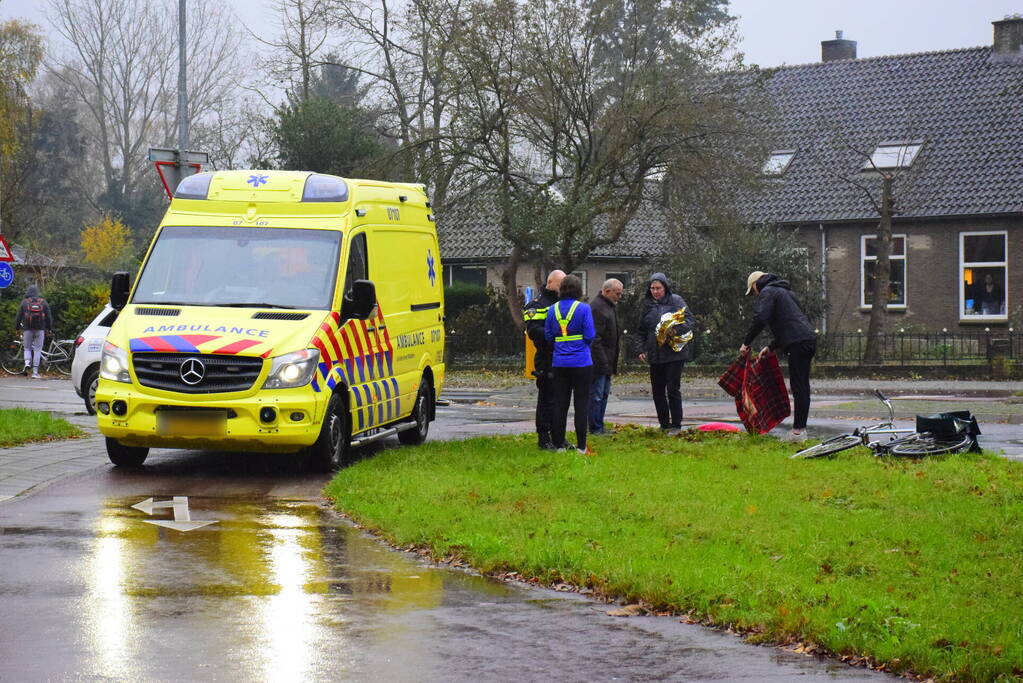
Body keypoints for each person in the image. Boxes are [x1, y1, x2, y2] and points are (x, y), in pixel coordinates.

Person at [739, 271, 817, 440]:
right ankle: (800, 430)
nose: (755, 294)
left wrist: (747, 343)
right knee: (802, 386)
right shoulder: (785, 291)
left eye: (753, 291)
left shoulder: (768, 291)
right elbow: (789, 322)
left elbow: (761, 318)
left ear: (755, 284)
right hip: (807, 339)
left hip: (797, 342)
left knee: (799, 387)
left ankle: (798, 432)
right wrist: (771, 346)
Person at [635, 273, 695, 433]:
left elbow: (689, 321)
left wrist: (674, 330)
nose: (655, 291)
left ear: (665, 287)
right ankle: (664, 424)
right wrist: (641, 349)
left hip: (674, 354)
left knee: (673, 389)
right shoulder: (648, 305)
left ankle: (676, 424)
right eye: (652, 288)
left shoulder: (676, 301)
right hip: (655, 355)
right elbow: (641, 330)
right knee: (657, 391)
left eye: (658, 288)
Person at [544, 274, 595, 454]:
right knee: (581, 404)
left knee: (560, 404)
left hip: (559, 363)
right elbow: (589, 335)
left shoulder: (552, 310)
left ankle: (559, 445)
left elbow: (548, 336)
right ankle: (581, 446)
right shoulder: (584, 309)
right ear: (579, 290)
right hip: (581, 362)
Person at [523, 269, 566, 450]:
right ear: (550, 283)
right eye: (560, 284)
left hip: (564, 358)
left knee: (561, 401)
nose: (563, 288)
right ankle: (544, 437)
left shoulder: (565, 303)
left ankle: (559, 437)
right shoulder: (536, 305)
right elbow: (533, 332)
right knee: (547, 400)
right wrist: (556, 335)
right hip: (546, 358)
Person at [588, 278, 623, 435]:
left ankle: (599, 425)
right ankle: (595, 427)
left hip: (607, 361)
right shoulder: (598, 308)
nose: (619, 297)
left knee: (602, 394)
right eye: (617, 293)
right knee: (596, 395)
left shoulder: (608, 306)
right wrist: (603, 362)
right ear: (607, 291)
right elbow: (595, 339)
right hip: (600, 362)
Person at [14, 285, 52, 379]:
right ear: (37, 292)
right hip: (40, 329)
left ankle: (27, 363)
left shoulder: (24, 302)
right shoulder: (43, 302)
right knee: (37, 350)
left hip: (27, 329)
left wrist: (17, 328)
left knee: (27, 348)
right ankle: (35, 373)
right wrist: (49, 328)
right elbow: (48, 317)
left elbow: (18, 317)